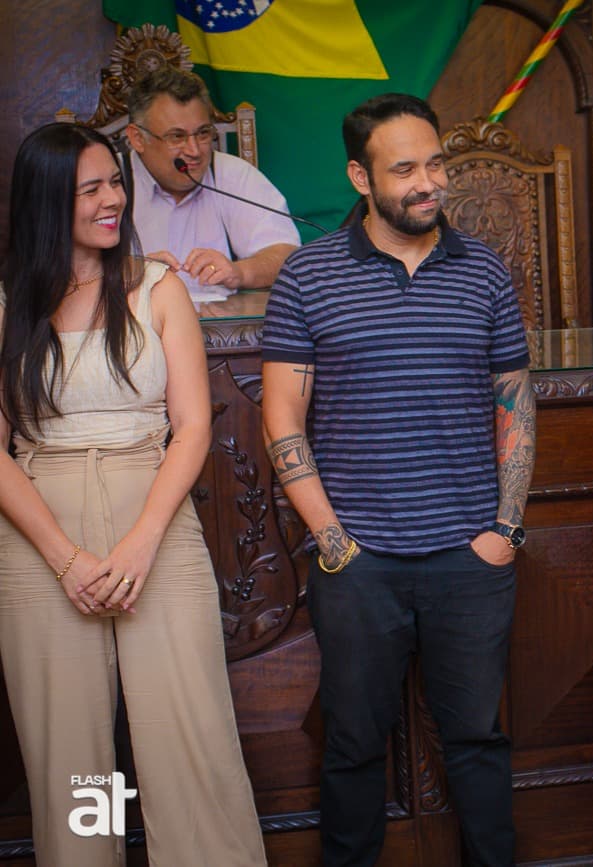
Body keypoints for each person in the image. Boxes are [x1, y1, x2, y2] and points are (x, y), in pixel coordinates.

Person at [260, 93, 535, 867]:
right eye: (405, 168)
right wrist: (333, 541)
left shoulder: (483, 271)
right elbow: (281, 416)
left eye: (436, 163)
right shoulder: (308, 275)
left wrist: (505, 529)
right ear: (360, 176)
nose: (428, 183)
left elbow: (514, 401)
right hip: (358, 561)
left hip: (470, 555)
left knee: (478, 739)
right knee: (352, 745)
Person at [0, 123, 265, 865]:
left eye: (115, 182)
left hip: (154, 513)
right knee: (72, 762)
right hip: (40, 529)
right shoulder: (10, 304)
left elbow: (192, 426)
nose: (113, 199)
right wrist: (65, 559)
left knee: (190, 737)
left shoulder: (158, 287)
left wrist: (144, 541)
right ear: (48, 202)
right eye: (91, 189)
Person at [124, 66, 299, 302]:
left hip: (222, 322)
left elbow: (287, 256)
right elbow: (74, 267)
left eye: (203, 133)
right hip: (132, 321)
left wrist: (240, 272)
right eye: (177, 137)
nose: (194, 151)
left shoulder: (233, 175)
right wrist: (127, 272)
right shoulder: (109, 182)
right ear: (137, 138)